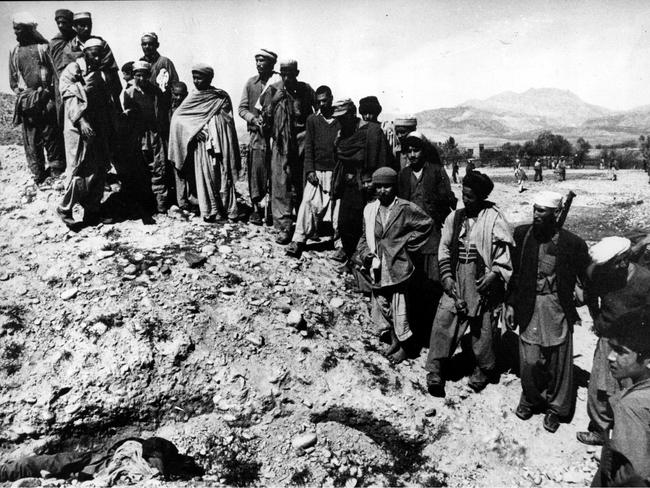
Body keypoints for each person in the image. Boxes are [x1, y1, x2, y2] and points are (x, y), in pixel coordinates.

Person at [505, 191, 590, 433]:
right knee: (530, 359)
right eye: (534, 209)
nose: (536, 214)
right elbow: (516, 275)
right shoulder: (523, 235)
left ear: (556, 214)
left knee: (558, 360)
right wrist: (511, 303)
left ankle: (556, 409)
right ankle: (531, 398)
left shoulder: (572, 243)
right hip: (530, 304)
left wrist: (581, 290)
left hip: (556, 305)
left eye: (542, 211)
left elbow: (587, 273)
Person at [424, 171, 514, 397]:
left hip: (481, 278)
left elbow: (504, 256)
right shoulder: (454, 218)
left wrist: (494, 275)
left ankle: (483, 369)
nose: (466, 200)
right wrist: (446, 276)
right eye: (464, 195)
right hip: (457, 274)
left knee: (483, 327)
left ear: (481, 198)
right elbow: (444, 248)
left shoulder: (494, 219)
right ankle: (435, 370)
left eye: (471, 197)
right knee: (444, 320)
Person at [576, 237, 650, 446]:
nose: (621, 266)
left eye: (623, 261)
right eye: (614, 264)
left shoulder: (645, 279)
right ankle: (600, 429)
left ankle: (631, 435)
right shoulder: (599, 275)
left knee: (630, 388)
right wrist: (597, 318)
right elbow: (589, 296)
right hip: (607, 338)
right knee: (599, 387)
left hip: (633, 346)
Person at [355, 167, 433, 363]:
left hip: (398, 266)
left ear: (394, 186)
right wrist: (366, 255)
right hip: (377, 267)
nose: (382, 191)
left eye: (387, 186)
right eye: (378, 186)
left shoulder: (405, 208)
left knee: (400, 307)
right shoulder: (370, 209)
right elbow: (364, 238)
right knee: (382, 304)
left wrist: (407, 243)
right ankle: (393, 340)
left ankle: (406, 347)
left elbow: (426, 224)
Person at [397, 131, 457, 341]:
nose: (412, 155)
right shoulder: (403, 175)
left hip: (432, 235)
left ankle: (435, 332)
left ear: (424, 151)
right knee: (413, 283)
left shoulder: (436, 171)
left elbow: (448, 201)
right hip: (409, 236)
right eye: (409, 151)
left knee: (433, 282)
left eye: (416, 150)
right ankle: (417, 331)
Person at [168, 64, 241, 223]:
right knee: (205, 176)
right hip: (201, 147)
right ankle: (210, 211)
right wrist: (194, 130)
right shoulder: (192, 97)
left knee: (222, 175)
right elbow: (178, 119)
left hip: (219, 143)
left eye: (199, 78)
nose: (196, 81)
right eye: (194, 77)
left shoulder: (220, 96)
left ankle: (228, 210)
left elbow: (227, 119)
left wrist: (213, 126)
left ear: (209, 78)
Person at [56, 38, 114, 228]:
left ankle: (93, 211)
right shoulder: (73, 69)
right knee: (79, 168)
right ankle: (65, 208)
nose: (96, 57)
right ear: (85, 52)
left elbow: (107, 101)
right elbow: (69, 95)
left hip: (98, 127)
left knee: (98, 169)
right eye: (93, 53)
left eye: (99, 54)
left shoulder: (102, 74)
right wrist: (81, 120)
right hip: (77, 127)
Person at [591, 308, 650, 487]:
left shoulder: (631, 406)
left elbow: (633, 476)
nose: (610, 357)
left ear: (647, 359)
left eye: (620, 351)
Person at [260, 59, 316, 243]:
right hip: (280, 144)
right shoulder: (273, 90)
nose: (286, 78)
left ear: (297, 73)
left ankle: (304, 225)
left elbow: (317, 112)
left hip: (301, 143)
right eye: (283, 74)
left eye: (290, 74)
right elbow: (264, 118)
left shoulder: (306, 90)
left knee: (301, 185)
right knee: (280, 184)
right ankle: (284, 227)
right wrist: (274, 102)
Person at [331, 99, 392, 262]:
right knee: (345, 222)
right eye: (338, 118)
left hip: (368, 186)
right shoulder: (343, 133)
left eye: (344, 117)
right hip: (348, 184)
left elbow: (381, 158)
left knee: (365, 223)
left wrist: (374, 182)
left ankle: (362, 257)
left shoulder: (372, 131)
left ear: (352, 114)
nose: (341, 121)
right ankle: (348, 252)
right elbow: (340, 154)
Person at [9, 12, 65, 183]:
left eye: (18, 29)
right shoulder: (15, 51)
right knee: (31, 138)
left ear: (28, 30)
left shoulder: (43, 48)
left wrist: (47, 94)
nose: (15, 33)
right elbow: (13, 78)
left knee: (51, 134)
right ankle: (38, 173)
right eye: (14, 29)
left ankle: (56, 171)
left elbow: (55, 74)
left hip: (46, 99)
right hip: (27, 102)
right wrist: (24, 96)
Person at [286, 85, 340, 258]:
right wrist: (309, 170)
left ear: (331, 98)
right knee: (308, 204)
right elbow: (308, 147)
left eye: (325, 100)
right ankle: (299, 240)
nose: (322, 104)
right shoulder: (312, 120)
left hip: (336, 172)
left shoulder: (340, 120)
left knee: (338, 210)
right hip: (317, 171)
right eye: (319, 102)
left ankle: (340, 245)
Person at [238, 49, 280, 225]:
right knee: (256, 171)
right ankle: (256, 209)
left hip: (276, 135)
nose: (259, 64)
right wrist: (253, 119)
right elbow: (242, 108)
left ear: (271, 64)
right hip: (257, 135)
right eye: (257, 61)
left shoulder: (279, 83)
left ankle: (271, 209)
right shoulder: (251, 83)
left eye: (262, 61)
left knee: (274, 171)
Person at [123, 61, 169, 213]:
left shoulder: (155, 92)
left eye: (144, 75)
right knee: (139, 169)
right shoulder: (128, 93)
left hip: (154, 134)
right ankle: (144, 205)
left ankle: (160, 203)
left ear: (149, 76)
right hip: (137, 136)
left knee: (158, 167)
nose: (141, 79)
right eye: (137, 75)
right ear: (133, 75)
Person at [65, 12, 122, 111]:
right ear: (74, 26)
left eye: (89, 25)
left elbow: (111, 72)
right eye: (82, 25)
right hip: (81, 96)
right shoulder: (69, 48)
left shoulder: (102, 44)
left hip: (103, 94)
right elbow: (68, 76)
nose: (87, 28)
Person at [48, 9, 76, 128]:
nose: (60, 26)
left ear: (71, 23)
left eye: (64, 22)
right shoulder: (54, 43)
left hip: (77, 83)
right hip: (59, 85)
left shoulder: (77, 39)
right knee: (62, 116)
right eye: (58, 23)